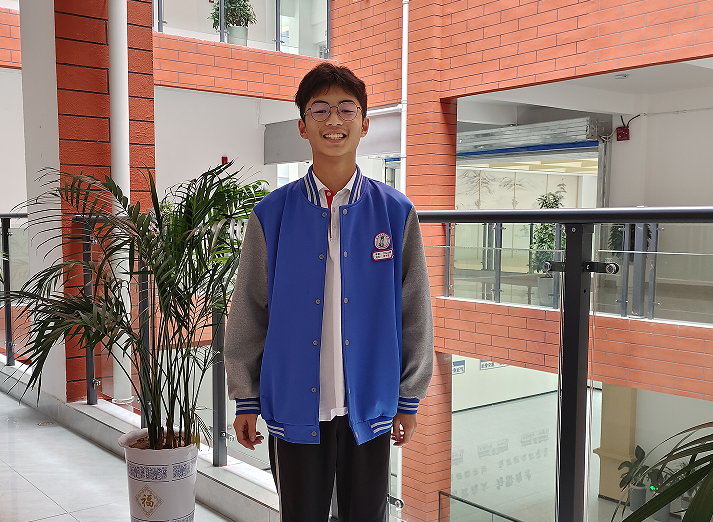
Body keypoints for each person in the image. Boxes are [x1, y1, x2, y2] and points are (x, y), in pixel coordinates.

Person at [224, 62, 434, 522]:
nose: (333, 120)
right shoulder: (272, 214)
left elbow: (414, 311)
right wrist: (246, 397)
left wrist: (408, 397)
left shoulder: (395, 212)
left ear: (365, 123)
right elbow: (250, 310)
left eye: (346, 109)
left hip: (371, 405)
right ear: (302, 125)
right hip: (294, 405)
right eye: (319, 109)